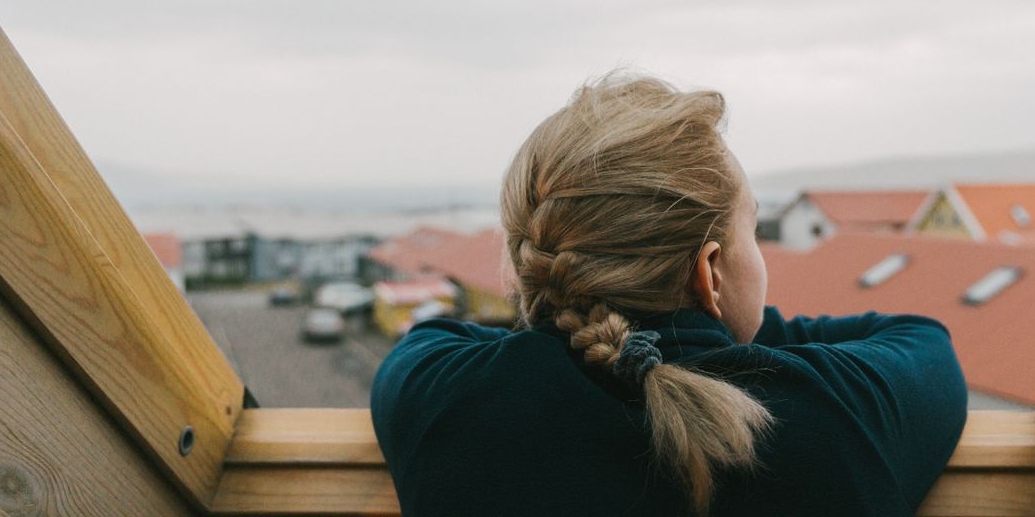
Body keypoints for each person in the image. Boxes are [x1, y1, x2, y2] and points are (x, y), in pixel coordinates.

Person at [371, 73, 968, 516]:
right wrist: (732, 329)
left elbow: (435, 337)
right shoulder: (840, 412)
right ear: (709, 274)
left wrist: (569, 314)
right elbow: (921, 340)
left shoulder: (447, 401)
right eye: (751, 231)